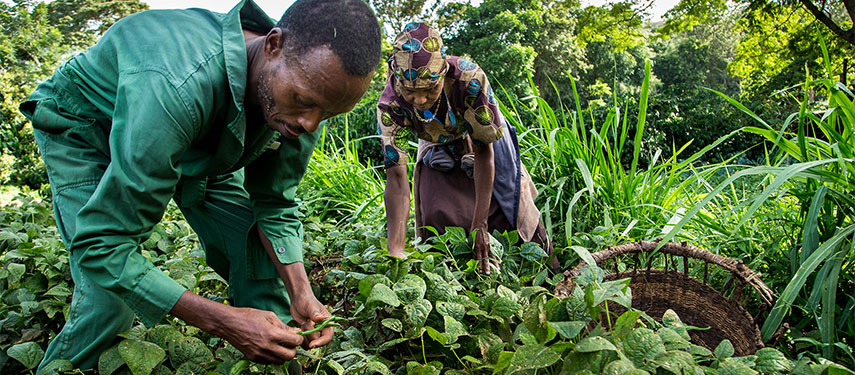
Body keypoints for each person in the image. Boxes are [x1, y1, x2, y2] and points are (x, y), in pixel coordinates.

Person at [18, 0, 381, 371]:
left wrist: (301, 292)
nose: (308, 124)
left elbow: (273, 204)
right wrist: (223, 321)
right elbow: (104, 244)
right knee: (108, 303)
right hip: (90, 126)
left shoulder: (304, 98)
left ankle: (273, 350)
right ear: (273, 46)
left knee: (255, 248)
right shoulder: (177, 84)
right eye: (304, 102)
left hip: (203, 137)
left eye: (329, 113)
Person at [377, 22, 558, 274]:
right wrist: (395, 250)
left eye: (430, 89)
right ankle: (454, 273)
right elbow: (397, 179)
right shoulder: (391, 104)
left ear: (443, 75)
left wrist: (480, 226)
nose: (419, 100)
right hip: (435, 135)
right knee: (436, 207)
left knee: (509, 199)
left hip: (481, 131)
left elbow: (485, 152)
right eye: (410, 91)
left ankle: (545, 271)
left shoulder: (469, 80)